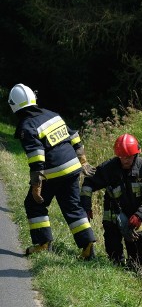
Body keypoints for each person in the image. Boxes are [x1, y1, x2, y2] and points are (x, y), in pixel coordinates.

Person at [8, 83, 97, 258]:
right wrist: (83, 161)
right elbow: (74, 135)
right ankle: (87, 247)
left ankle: (43, 244)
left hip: (53, 171)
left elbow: (36, 158)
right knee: (72, 207)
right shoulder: (51, 114)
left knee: (34, 204)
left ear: (14, 106)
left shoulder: (27, 126)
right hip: (72, 168)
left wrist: (36, 186)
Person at [80, 133, 142, 272]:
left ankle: (136, 273)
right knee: (113, 252)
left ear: (136, 154)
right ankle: (116, 274)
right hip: (112, 214)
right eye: (122, 157)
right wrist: (86, 206)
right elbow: (88, 185)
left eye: (128, 157)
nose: (125, 160)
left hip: (136, 215)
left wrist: (139, 215)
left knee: (137, 255)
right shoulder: (109, 168)